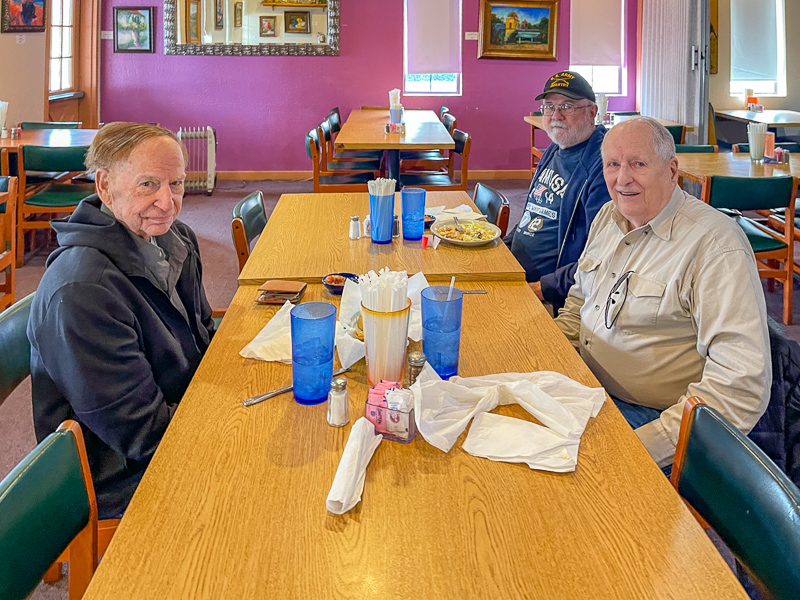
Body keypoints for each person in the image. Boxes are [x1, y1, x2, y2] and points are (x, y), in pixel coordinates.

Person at [554, 116, 770, 468]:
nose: (622, 179)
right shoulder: (609, 217)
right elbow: (580, 302)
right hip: (588, 387)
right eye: (612, 165)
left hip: (652, 419)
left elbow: (739, 387)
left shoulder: (714, 246)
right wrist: (544, 359)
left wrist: (640, 448)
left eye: (638, 164)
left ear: (672, 171)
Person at [28, 122, 216, 518]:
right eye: (148, 184)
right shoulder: (84, 292)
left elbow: (202, 336)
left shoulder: (174, 238)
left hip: (182, 409)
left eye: (177, 184)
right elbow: (143, 434)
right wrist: (228, 426)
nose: (167, 202)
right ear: (104, 186)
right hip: (119, 470)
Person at [506, 71, 612, 312]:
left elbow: (602, 256)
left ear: (592, 112)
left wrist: (540, 288)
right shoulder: (554, 150)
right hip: (515, 272)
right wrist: (502, 248)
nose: (556, 115)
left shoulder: (605, 166)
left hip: (551, 293)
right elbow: (532, 215)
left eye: (567, 106)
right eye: (549, 106)